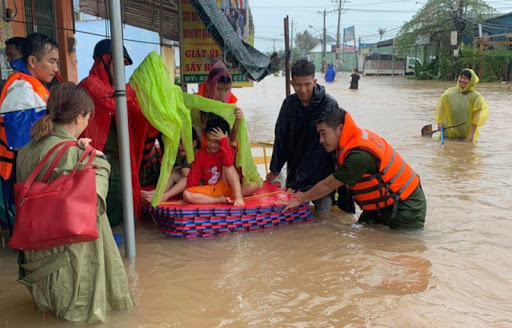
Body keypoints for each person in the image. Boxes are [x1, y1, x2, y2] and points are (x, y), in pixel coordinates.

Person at [15, 83, 134, 323]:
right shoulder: (77, 154)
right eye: (88, 117)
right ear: (80, 116)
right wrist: (98, 161)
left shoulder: (25, 151)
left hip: (36, 255)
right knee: (78, 315)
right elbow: (94, 205)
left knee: (47, 313)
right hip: (71, 259)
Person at [283, 108, 426, 230]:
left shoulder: (358, 156)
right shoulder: (349, 142)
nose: (320, 140)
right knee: (361, 235)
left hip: (406, 206)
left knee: (401, 247)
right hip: (380, 205)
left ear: (339, 128)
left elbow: (329, 184)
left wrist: (300, 199)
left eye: (324, 133)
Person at [80, 38, 151, 225]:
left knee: (119, 204)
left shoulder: (116, 90)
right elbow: (111, 103)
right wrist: (134, 86)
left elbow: (137, 113)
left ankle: (115, 248)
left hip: (116, 160)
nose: (121, 70)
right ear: (104, 60)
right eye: (118, 64)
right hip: (94, 159)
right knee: (103, 206)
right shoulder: (90, 84)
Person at [266, 59, 343, 212]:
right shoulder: (289, 104)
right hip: (295, 169)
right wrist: (274, 169)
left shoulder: (328, 104)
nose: (303, 90)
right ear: (291, 83)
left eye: (307, 84)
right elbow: (281, 138)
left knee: (323, 218)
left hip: (322, 172)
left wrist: (299, 182)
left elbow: (319, 148)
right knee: (292, 214)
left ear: (314, 81)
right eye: (298, 85)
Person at [0, 33, 58, 182]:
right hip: (23, 174)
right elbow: (21, 146)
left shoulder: (31, 84)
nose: (56, 68)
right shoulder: (22, 88)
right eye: (52, 61)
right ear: (32, 61)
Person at [183, 115, 253, 206]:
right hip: (213, 190)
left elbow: (229, 162)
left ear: (225, 139)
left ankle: (238, 196)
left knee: (253, 184)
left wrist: (223, 142)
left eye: (216, 141)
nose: (212, 145)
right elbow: (193, 179)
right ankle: (218, 200)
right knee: (186, 194)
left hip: (229, 187)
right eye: (209, 140)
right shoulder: (201, 154)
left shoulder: (226, 149)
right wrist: (193, 191)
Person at [142, 128, 201, 202]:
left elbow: (205, 175)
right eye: (178, 143)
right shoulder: (185, 157)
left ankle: (165, 196)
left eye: (182, 143)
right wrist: (179, 168)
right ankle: (155, 193)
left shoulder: (200, 155)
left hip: (202, 185)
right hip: (191, 183)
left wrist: (191, 172)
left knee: (186, 179)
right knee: (174, 175)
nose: (179, 146)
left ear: (194, 143)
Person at [435, 68, 489, 142]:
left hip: (464, 134)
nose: (462, 80)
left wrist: (472, 133)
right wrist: (439, 123)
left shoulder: (475, 96)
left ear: (471, 81)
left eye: (465, 78)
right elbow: (441, 109)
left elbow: (476, 116)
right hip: (448, 132)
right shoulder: (449, 93)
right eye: (461, 77)